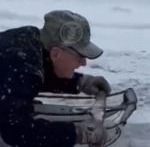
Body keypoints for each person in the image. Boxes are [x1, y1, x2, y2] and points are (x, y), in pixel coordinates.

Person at [0, 10, 111, 147]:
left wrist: (78, 82)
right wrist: (77, 134)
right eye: (80, 56)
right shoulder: (22, 65)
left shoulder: (30, 40)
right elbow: (15, 130)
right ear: (56, 54)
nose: (83, 63)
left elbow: (33, 75)